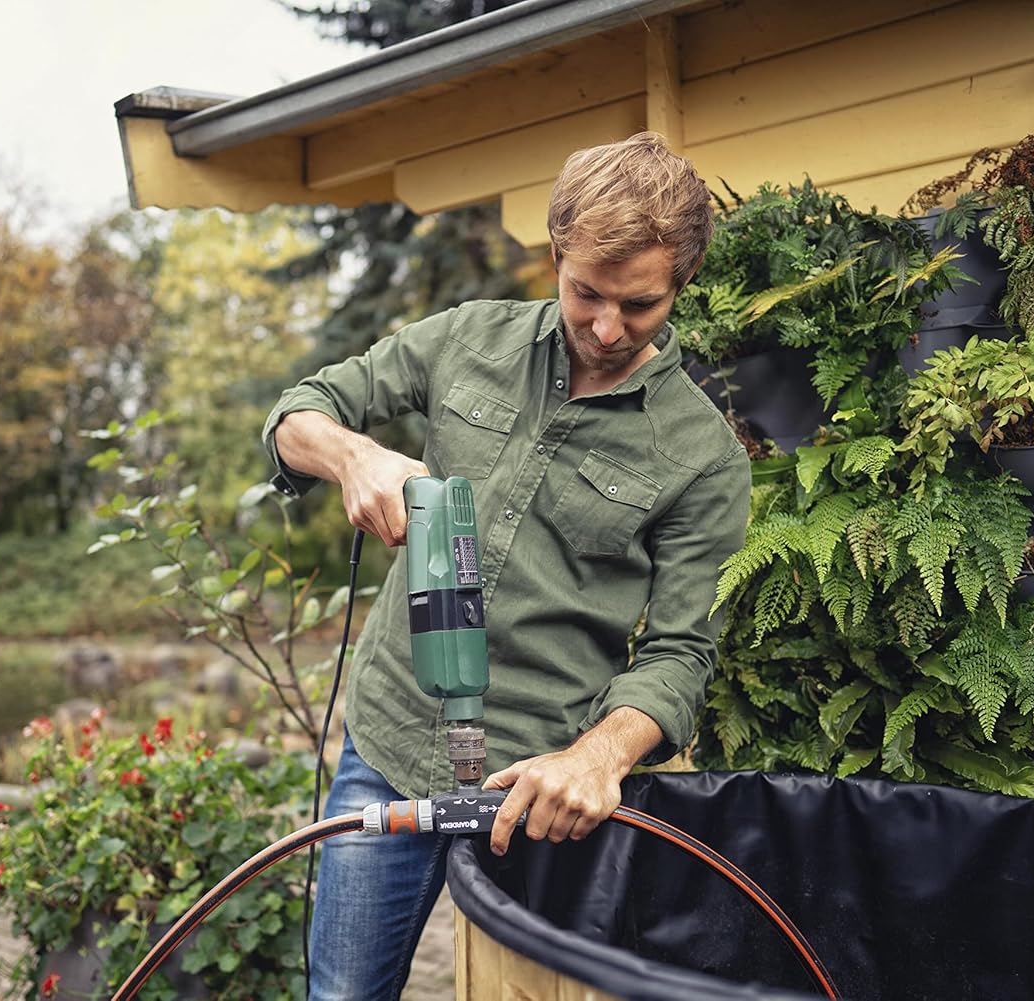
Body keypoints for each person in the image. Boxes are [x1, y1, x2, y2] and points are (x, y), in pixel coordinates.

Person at [261, 131, 752, 1000]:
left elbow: (681, 653)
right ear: (557, 254)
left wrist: (599, 757)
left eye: (638, 305)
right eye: (586, 293)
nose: (606, 327)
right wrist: (356, 458)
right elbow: (302, 411)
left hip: (539, 788)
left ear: (682, 281)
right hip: (388, 739)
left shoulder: (703, 455)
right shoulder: (467, 338)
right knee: (340, 994)